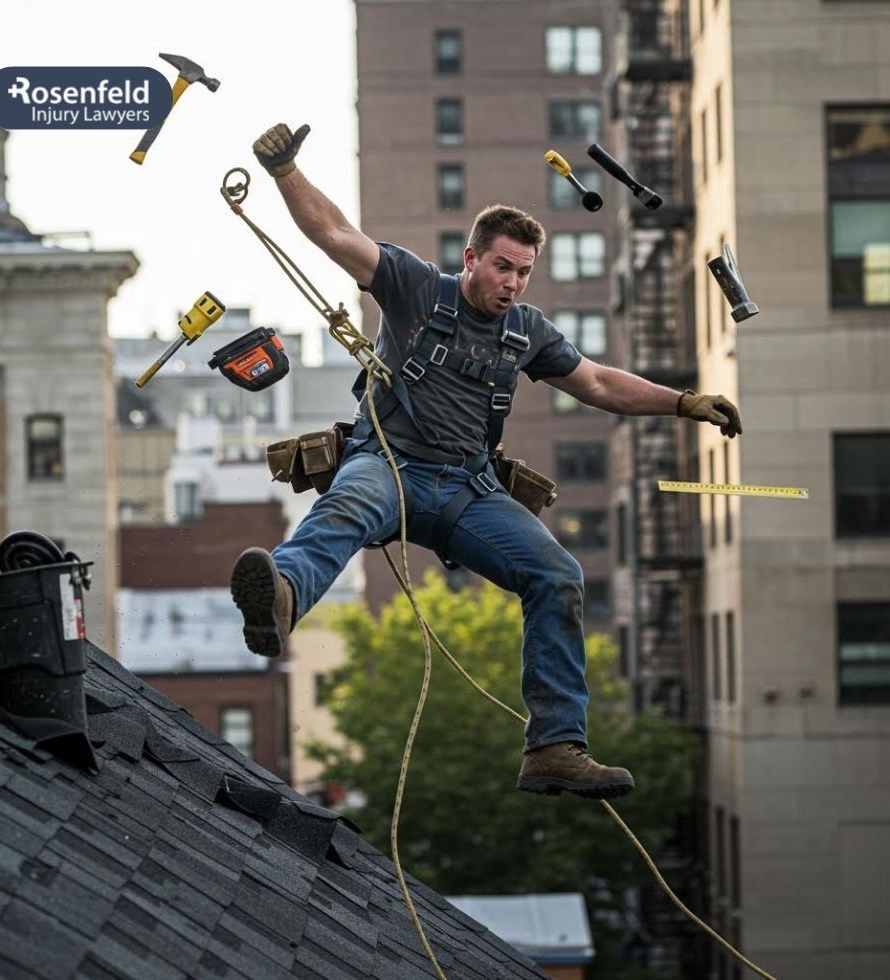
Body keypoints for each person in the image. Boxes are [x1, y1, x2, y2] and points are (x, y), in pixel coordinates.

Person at [231, 123, 742, 801]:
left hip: (465, 490)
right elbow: (334, 234)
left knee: (557, 574)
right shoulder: (416, 287)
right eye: (503, 267)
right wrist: (286, 171)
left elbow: (596, 383)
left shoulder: (527, 332)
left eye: (524, 272)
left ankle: (555, 747)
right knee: (347, 507)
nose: (513, 283)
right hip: (388, 464)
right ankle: (282, 598)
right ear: (471, 258)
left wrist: (684, 403)